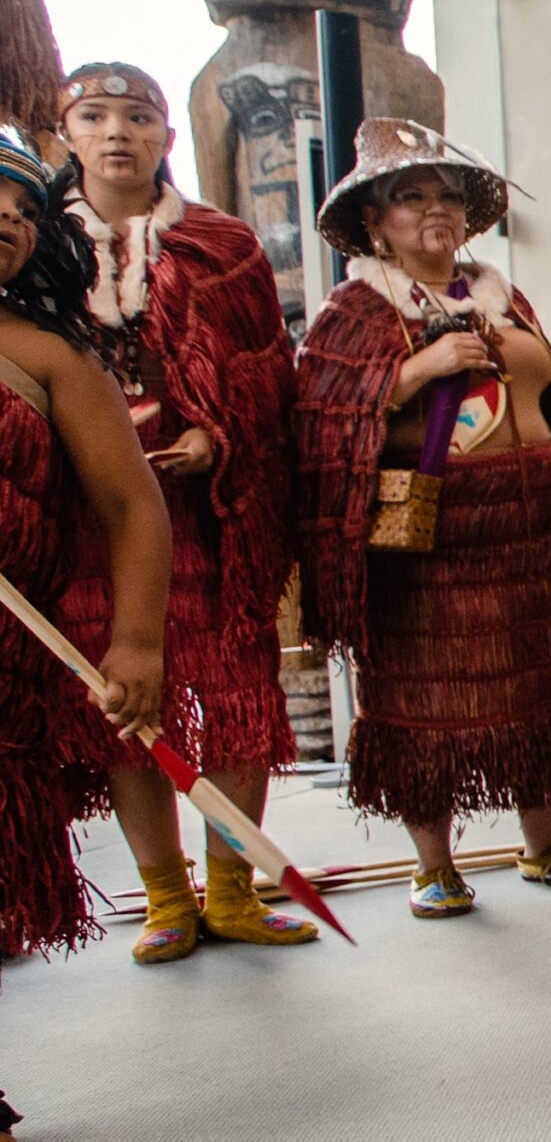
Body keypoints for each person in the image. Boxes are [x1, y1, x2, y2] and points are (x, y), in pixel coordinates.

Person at [294, 119, 551, 918]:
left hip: (529, 524)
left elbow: (544, 393)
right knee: (423, 699)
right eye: (410, 196)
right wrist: (417, 370)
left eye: (445, 194)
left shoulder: (502, 292)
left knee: (541, 685)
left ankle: (544, 848)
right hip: (429, 537)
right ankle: (433, 865)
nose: (432, 209)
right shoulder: (357, 310)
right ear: (375, 219)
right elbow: (324, 418)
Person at [52, 63, 306, 962]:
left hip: (210, 513)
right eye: (94, 115)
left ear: (166, 135)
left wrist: (216, 433)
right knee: (126, 702)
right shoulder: (35, 248)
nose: (117, 131)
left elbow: (266, 374)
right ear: (66, 135)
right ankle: (166, 897)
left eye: (137, 116)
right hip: (91, 521)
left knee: (237, 701)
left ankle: (234, 889)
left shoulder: (223, 244)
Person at [0, 125, 168, 1136]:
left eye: (20, 214)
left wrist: (137, 642)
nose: (5, 228)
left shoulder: (46, 353)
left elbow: (133, 507)